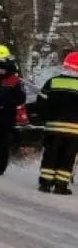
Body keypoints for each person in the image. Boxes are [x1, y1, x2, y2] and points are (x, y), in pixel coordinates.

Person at [33, 51, 78, 195]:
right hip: (74, 129)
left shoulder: (53, 81)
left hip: (53, 127)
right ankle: (61, 186)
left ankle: (45, 184)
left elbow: (40, 102)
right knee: (68, 157)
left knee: (51, 154)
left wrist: (46, 117)